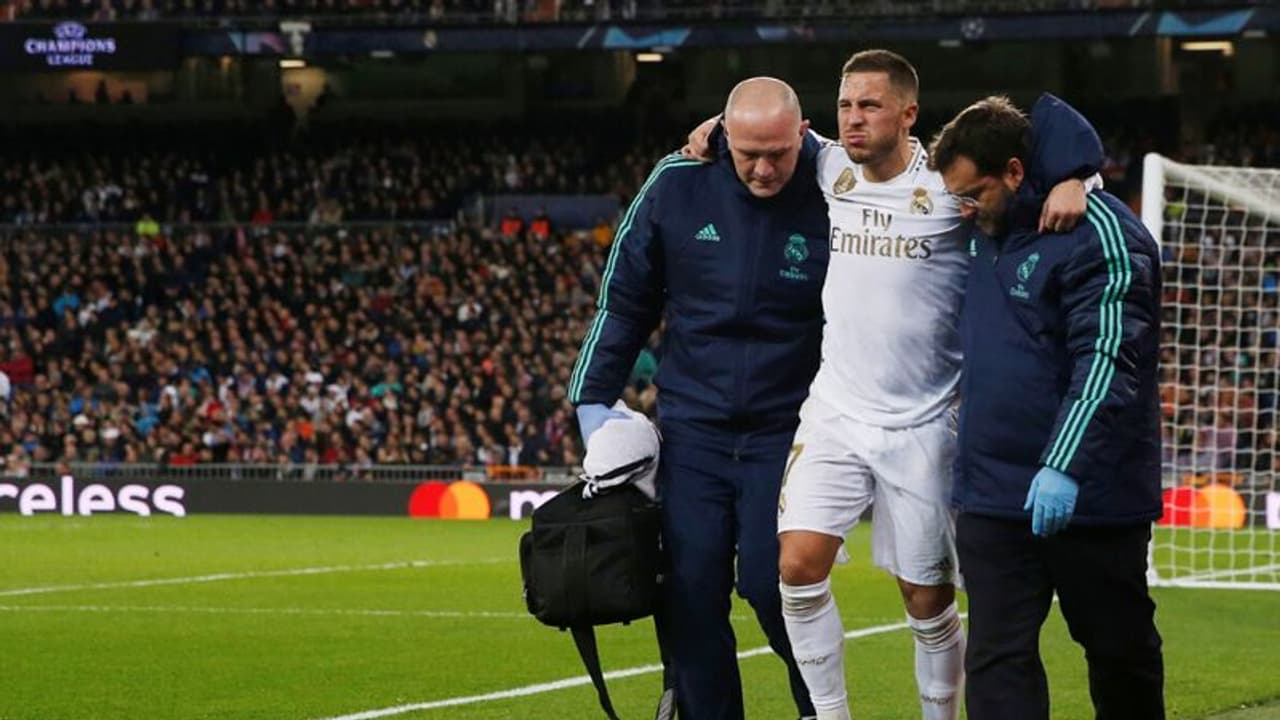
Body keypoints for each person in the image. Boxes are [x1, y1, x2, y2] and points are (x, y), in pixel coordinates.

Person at [681, 51, 1097, 720]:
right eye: (846, 105)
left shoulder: (948, 185)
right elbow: (773, 127)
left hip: (925, 421)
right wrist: (715, 128)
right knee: (795, 568)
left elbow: (1036, 149)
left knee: (926, 599)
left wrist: (1078, 176)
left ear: (908, 114)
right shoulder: (827, 165)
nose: (853, 119)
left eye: (870, 106)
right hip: (837, 410)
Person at [569, 77, 828, 720]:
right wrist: (591, 402)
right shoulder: (676, 183)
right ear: (724, 138)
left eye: (778, 153)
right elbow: (623, 301)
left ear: (802, 135)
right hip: (694, 427)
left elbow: (901, 166)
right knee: (690, 591)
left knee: (774, 584)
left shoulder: (836, 184)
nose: (763, 169)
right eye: (748, 153)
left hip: (790, 428)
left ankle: (822, 710)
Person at [928, 95, 1165, 719]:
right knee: (996, 658)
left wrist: (1063, 464)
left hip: (1091, 494)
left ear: (1013, 171)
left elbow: (1109, 359)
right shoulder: (982, 225)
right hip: (992, 493)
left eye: (973, 194)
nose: (963, 210)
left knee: (1118, 652)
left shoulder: (1103, 233)